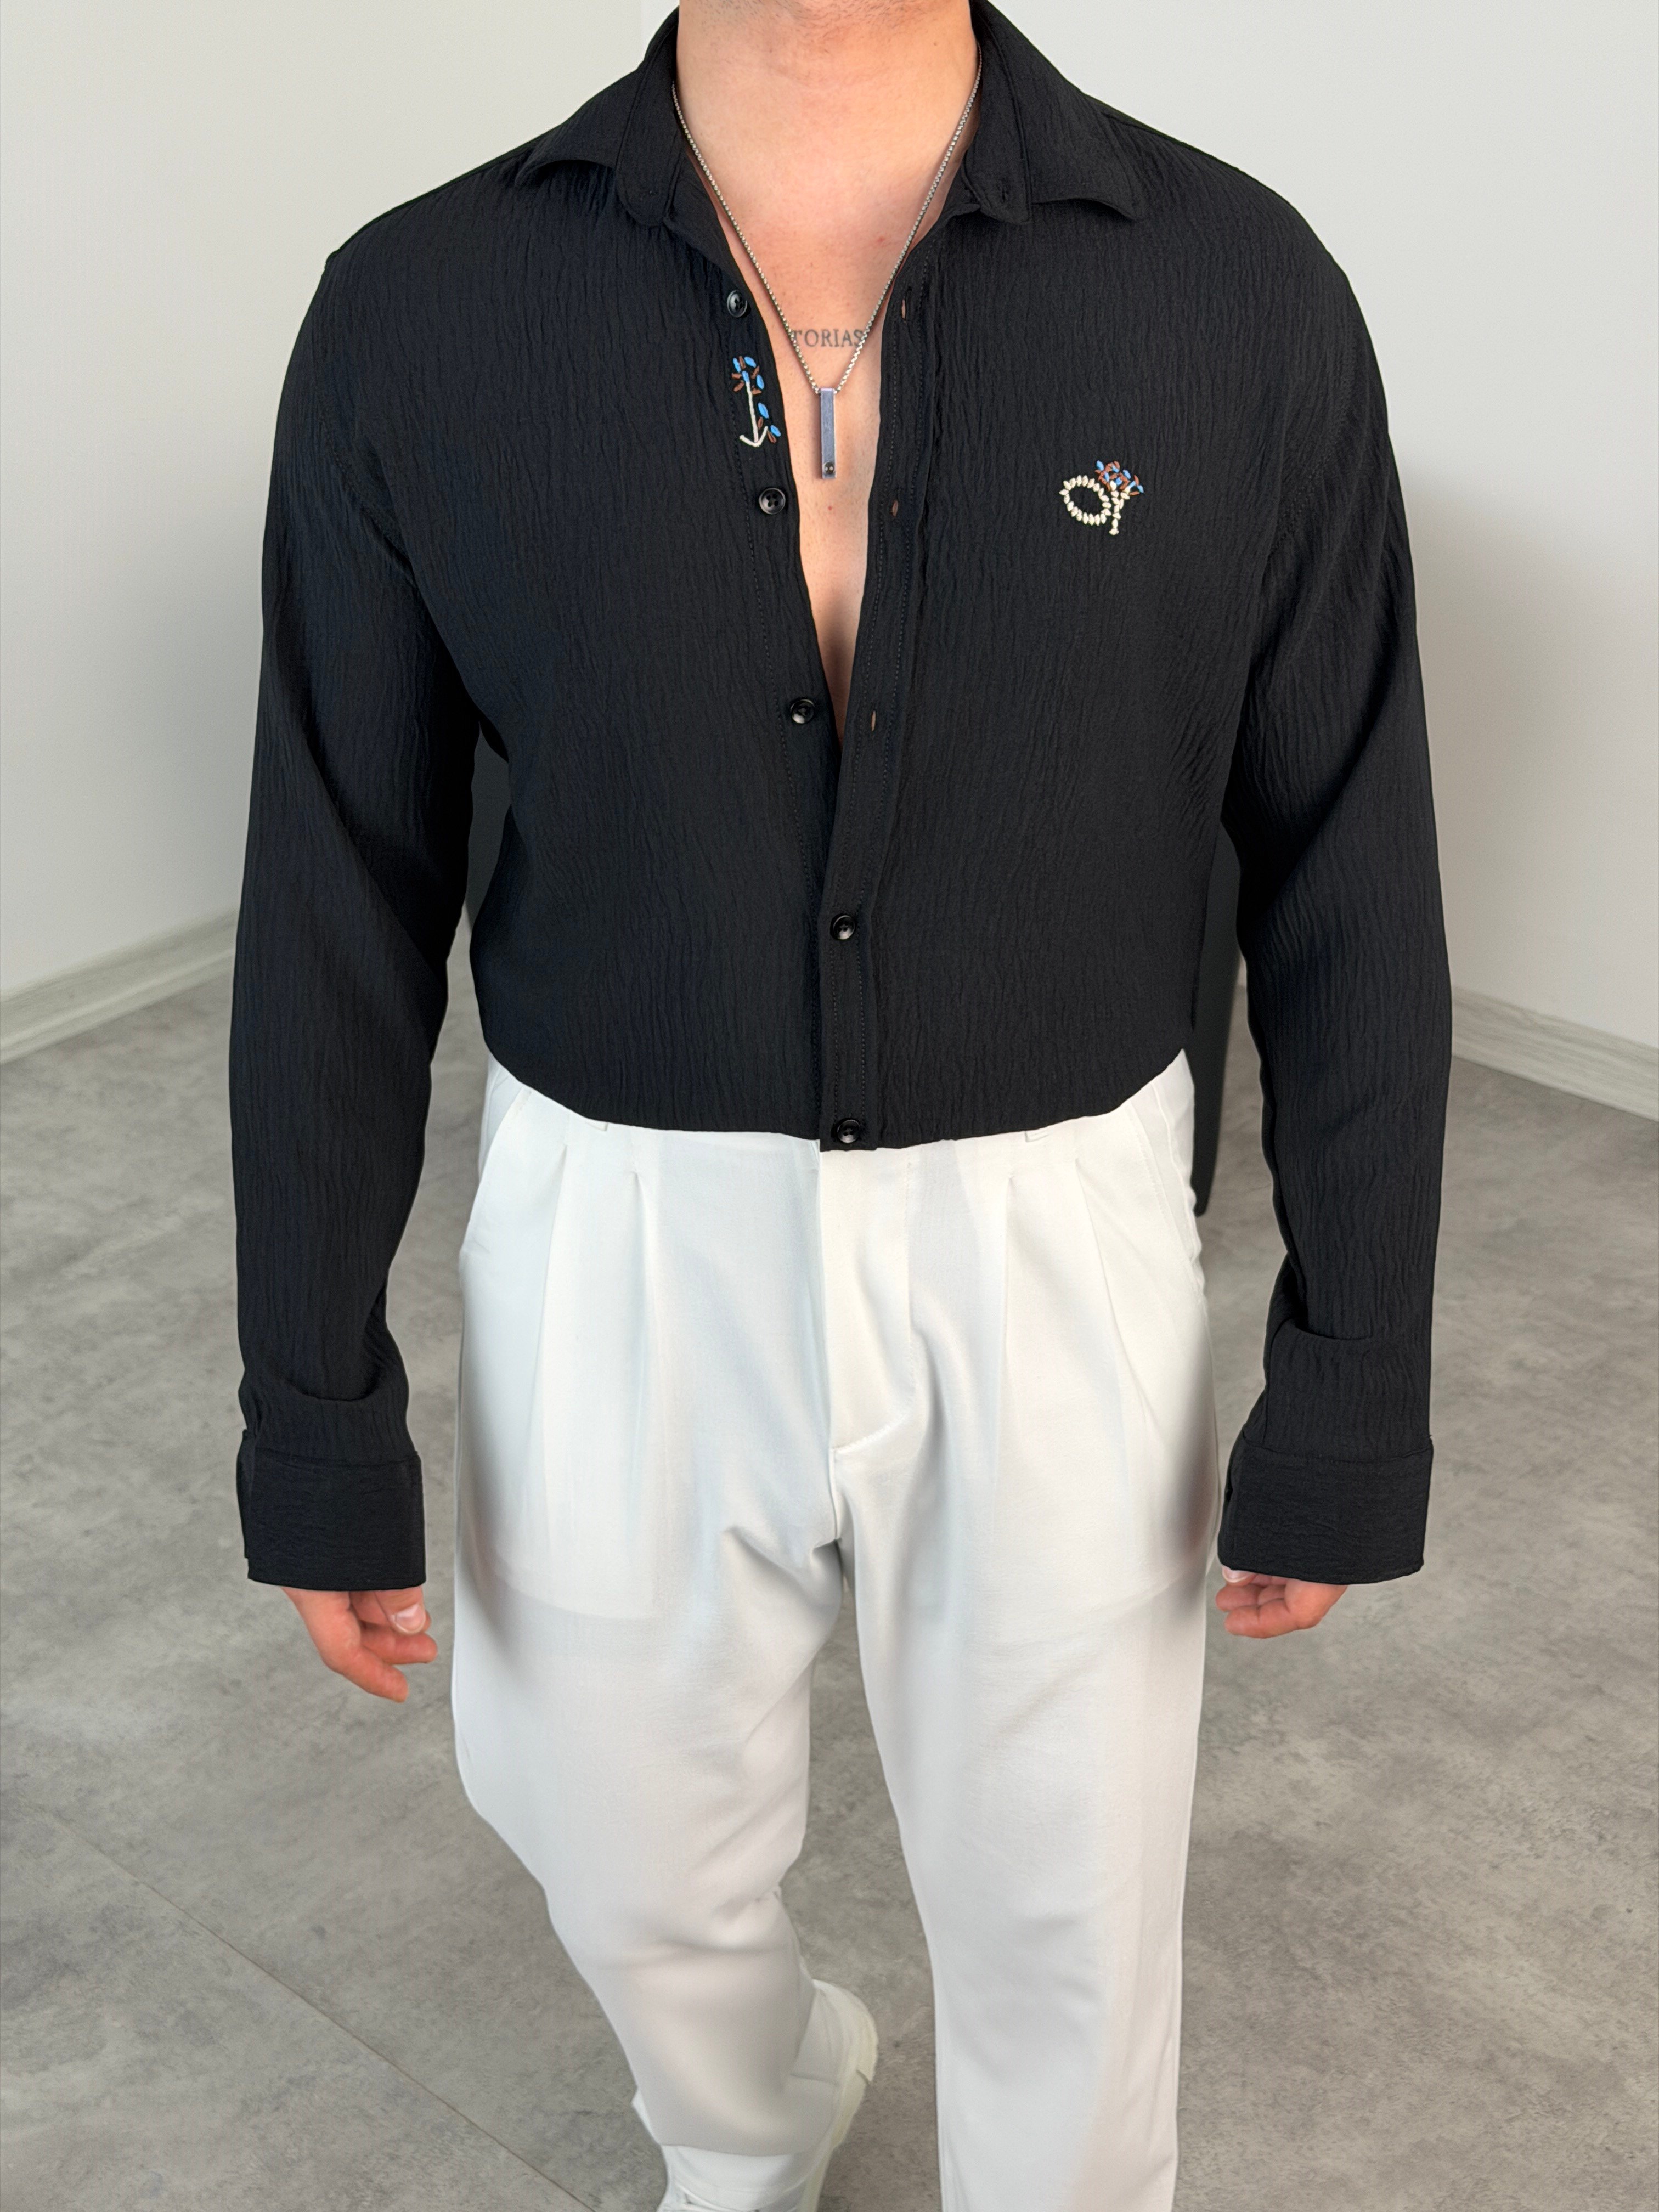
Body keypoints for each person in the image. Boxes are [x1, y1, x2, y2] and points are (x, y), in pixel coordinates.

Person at [228, 3, 1452, 2205]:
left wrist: (1355, 1376)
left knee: (1070, 1909)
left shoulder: (1237, 289)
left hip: (1056, 1225)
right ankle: (748, 2110)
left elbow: (1347, 859)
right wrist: (312, 1408)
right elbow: (337, 887)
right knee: (603, 1832)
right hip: (616, 1212)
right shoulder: (419, 307)